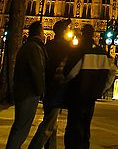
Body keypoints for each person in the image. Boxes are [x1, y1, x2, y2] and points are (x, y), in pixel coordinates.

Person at [63, 24, 116, 149]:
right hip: (91, 96)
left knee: (73, 128)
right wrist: (101, 89)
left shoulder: (79, 50)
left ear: (82, 34)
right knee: (86, 128)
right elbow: (112, 72)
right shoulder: (102, 52)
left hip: (77, 95)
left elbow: (71, 72)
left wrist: (65, 83)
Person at [28, 18, 72, 149]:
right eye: (67, 29)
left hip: (48, 87)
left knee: (52, 124)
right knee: (48, 125)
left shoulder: (48, 45)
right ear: (63, 31)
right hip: (58, 88)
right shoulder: (66, 47)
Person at [5, 21, 47, 149]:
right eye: (43, 31)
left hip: (23, 91)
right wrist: (41, 90)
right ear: (39, 33)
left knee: (20, 126)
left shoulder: (27, 46)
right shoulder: (34, 48)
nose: (44, 34)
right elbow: (37, 70)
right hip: (28, 93)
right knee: (21, 128)